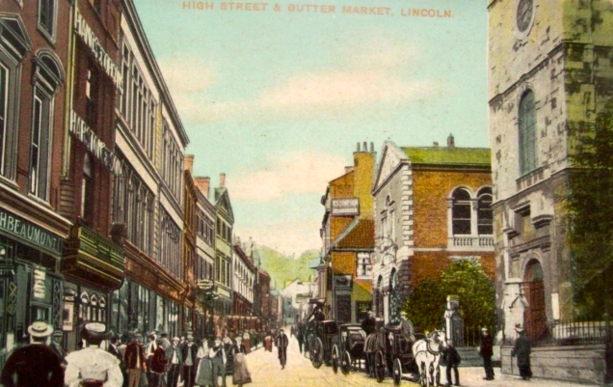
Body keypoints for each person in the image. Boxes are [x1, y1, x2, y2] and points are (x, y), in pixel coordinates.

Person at [0, 320, 64, 387]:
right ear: (46, 337)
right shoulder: (50, 354)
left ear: (32, 336)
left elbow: (5, 375)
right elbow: (58, 378)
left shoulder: (19, 352)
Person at [64, 322, 124, 387]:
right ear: (101, 340)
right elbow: (117, 381)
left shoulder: (76, 356)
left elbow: (68, 380)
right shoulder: (109, 358)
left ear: (85, 339)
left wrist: (81, 384)